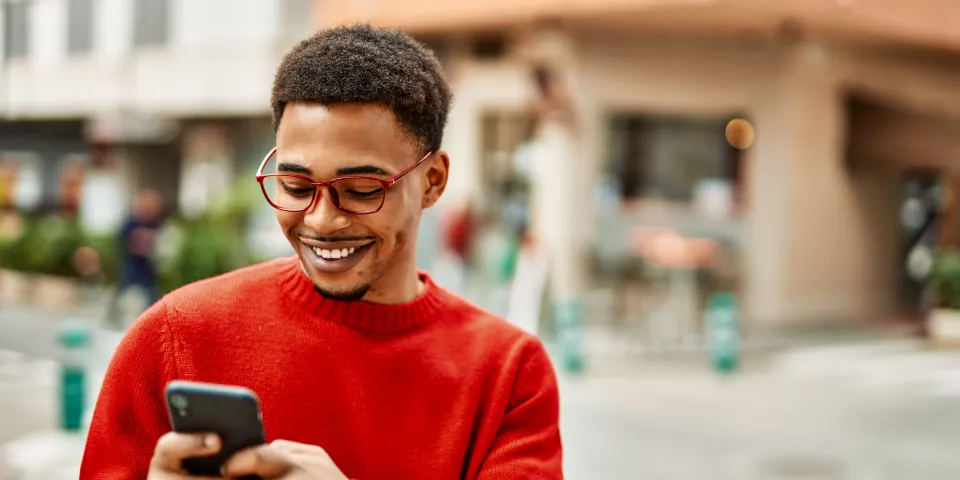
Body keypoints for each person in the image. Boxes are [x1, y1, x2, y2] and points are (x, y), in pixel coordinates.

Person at [80, 25, 563, 480]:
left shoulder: (508, 374)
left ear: (432, 181)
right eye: (295, 186)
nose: (321, 221)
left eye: (361, 190)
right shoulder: (174, 336)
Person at [106, 188, 165, 326]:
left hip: (149, 274)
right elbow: (126, 244)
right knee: (124, 298)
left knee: (152, 304)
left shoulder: (157, 224)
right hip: (131, 271)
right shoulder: (131, 223)